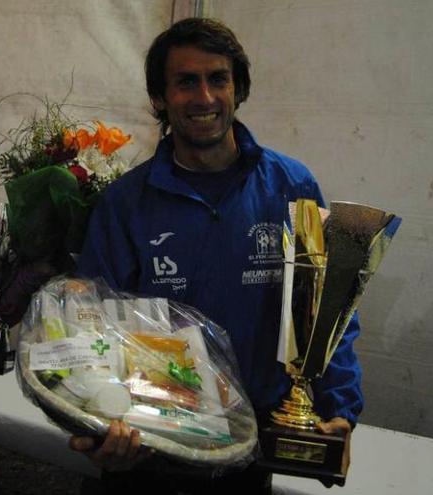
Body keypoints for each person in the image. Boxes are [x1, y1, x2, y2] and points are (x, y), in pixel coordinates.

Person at [69, 18, 360, 493]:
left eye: (217, 79)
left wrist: (340, 410)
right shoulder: (125, 204)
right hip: (149, 453)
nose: (204, 98)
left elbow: (329, 313)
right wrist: (98, 422)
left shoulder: (290, 187)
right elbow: (92, 324)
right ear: (160, 98)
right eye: (185, 82)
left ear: (238, 89)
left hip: (248, 457)